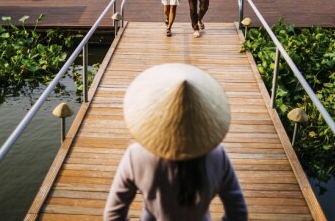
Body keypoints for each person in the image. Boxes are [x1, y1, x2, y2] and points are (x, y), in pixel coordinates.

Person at [104, 63, 248, 221]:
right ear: (203, 116)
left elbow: (113, 215)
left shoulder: (136, 156)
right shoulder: (217, 156)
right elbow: (238, 213)